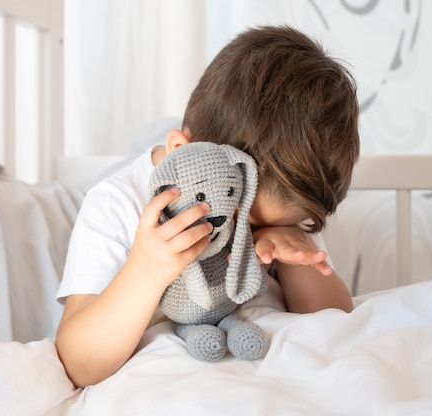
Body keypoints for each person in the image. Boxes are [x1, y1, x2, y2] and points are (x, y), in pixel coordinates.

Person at [55, 25, 360, 388]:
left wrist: (292, 251)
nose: (244, 231)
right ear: (183, 153)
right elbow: (78, 364)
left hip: (274, 381)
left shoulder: (283, 209)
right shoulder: (117, 203)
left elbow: (339, 322)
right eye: (243, 216)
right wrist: (144, 271)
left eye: (261, 226)